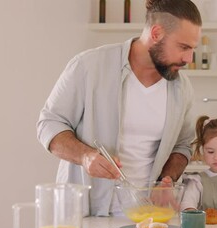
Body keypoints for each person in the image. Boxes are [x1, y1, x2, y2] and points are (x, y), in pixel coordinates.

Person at [36, 0, 202, 216]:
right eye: (183, 47)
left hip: (145, 218)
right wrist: (86, 156)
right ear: (156, 33)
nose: (189, 59)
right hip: (84, 213)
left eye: (193, 49)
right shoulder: (89, 65)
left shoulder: (182, 88)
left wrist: (167, 181)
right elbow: (49, 124)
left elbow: (183, 146)